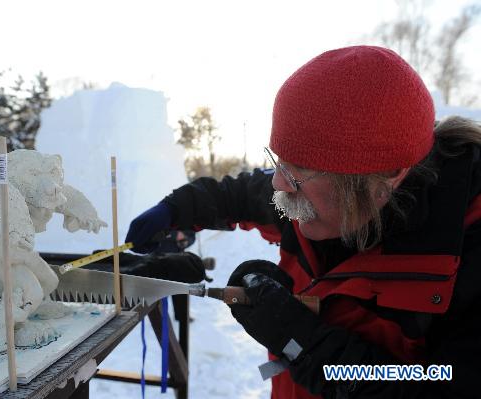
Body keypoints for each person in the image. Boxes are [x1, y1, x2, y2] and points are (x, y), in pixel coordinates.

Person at [124, 45, 481, 398]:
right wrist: (173, 210)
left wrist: (303, 343)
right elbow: (236, 195)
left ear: (384, 179)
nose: (279, 183)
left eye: (301, 170)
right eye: (279, 159)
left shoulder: (468, 250)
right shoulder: (314, 197)